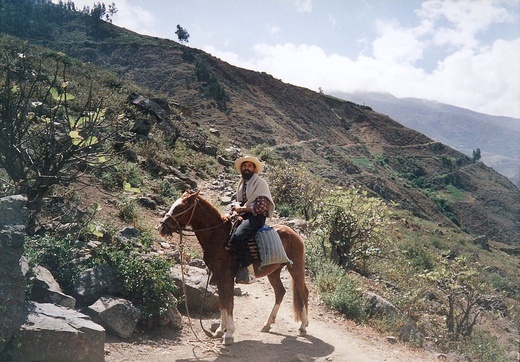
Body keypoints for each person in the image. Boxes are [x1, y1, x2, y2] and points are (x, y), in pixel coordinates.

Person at [229, 155, 275, 283]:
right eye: (244, 166)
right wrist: (237, 206)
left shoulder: (260, 183)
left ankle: (249, 272)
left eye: (249, 166)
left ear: (254, 168)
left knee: (238, 237)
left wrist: (242, 209)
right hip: (243, 215)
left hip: (256, 217)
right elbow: (237, 201)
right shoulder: (242, 183)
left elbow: (261, 206)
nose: (246, 168)